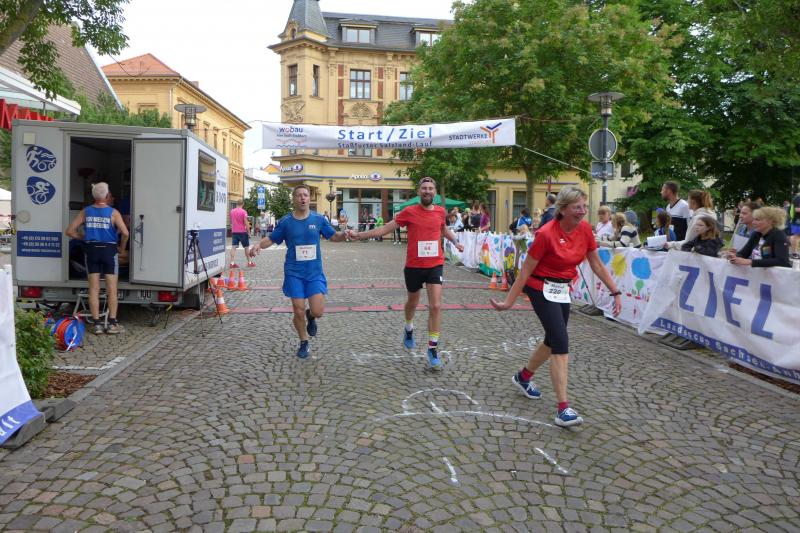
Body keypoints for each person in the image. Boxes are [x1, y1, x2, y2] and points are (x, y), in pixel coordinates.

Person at [490, 187, 621, 427]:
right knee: (561, 341)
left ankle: (523, 376)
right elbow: (525, 270)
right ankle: (563, 408)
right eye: (577, 207)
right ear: (563, 209)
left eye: (584, 206)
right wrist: (508, 301)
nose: (582, 211)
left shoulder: (585, 230)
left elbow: (596, 265)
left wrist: (615, 292)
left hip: (561, 290)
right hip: (539, 287)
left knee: (552, 340)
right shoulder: (546, 234)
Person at [349, 177, 464, 370]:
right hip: (414, 266)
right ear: (419, 192)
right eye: (424, 188)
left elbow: (443, 229)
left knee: (436, 306)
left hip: (435, 264)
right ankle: (409, 328)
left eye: (430, 188)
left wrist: (455, 241)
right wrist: (360, 235)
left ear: (435, 192)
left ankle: (432, 349)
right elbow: (385, 228)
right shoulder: (409, 212)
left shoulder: (440, 212)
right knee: (412, 302)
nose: (427, 191)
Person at [248, 185, 348, 358]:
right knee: (298, 309)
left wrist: (345, 234)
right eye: (299, 195)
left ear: (309, 199)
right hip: (294, 272)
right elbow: (271, 239)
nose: (303, 198)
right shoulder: (286, 222)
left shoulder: (318, 219)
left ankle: (311, 316)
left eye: (306, 195)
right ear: (294, 199)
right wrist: (258, 245)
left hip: (314, 273)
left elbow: (333, 236)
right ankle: (304, 341)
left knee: (318, 311)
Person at [65, 182, 129, 335]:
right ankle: (112, 324)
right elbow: (125, 233)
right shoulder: (113, 212)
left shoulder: (86, 211)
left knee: (94, 289)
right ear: (106, 196)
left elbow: (69, 231)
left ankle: (97, 325)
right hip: (109, 251)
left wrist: (84, 237)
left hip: (92, 251)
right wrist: (121, 248)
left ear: (94, 196)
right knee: (112, 289)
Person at [229, 199, 253, 268]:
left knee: (233, 247)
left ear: (237, 204)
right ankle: (249, 262)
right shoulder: (244, 212)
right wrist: (249, 233)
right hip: (242, 232)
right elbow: (246, 223)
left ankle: (232, 263)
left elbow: (231, 222)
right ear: (243, 204)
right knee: (246, 247)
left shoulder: (232, 211)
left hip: (234, 232)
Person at [790, 193, 800, 258]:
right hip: (797, 220)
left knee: (797, 237)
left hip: (797, 220)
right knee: (796, 236)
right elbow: (797, 209)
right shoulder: (798, 198)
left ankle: (795, 252)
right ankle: (794, 253)